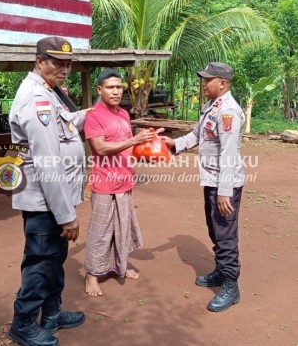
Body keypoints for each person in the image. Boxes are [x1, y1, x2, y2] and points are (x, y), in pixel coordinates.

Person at [8, 36, 88, 346]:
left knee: (55, 258)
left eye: (69, 64)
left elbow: (66, 126)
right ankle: (24, 323)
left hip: (55, 200)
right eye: (58, 62)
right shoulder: (36, 98)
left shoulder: (49, 93)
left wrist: (92, 113)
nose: (65, 69)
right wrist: (67, 216)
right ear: (39, 61)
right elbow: (48, 163)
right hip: (45, 202)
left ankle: (52, 313)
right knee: (41, 262)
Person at [162, 62, 245, 312]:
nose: (203, 83)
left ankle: (231, 285)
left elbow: (229, 155)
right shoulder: (212, 107)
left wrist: (223, 191)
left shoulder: (228, 111)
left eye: (208, 80)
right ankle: (221, 271)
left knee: (225, 233)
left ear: (223, 83)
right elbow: (197, 135)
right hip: (211, 180)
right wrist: (174, 144)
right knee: (215, 229)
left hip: (224, 184)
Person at [83, 68, 154, 297]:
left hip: (124, 180)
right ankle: (91, 275)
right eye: (110, 87)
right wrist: (134, 139)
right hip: (104, 183)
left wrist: (148, 147)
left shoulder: (123, 113)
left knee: (122, 228)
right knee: (100, 231)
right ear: (100, 89)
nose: (115, 91)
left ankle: (118, 267)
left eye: (118, 87)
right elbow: (101, 148)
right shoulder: (94, 115)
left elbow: (128, 146)